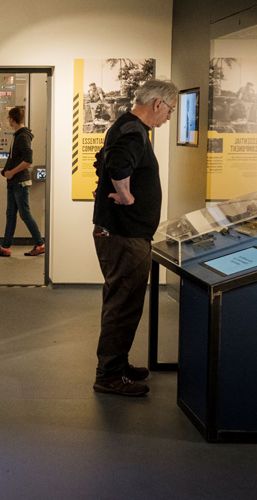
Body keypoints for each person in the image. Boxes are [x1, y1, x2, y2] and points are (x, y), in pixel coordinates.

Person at [91, 79, 178, 397]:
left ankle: (118, 363)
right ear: (158, 104)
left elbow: (105, 162)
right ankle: (109, 375)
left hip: (125, 234)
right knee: (122, 304)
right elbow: (116, 164)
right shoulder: (133, 130)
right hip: (124, 235)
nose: (168, 118)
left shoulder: (126, 126)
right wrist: (126, 196)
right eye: (169, 111)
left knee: (125, 303)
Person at [0, 107, 45, 257]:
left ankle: (40, 244)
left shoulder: (22, 136)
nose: (8, 121)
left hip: (19, 181)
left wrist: (12, 172)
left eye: (8, 118)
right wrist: (7, 170)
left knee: (24, 214)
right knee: (11, 214)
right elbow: (16, 157)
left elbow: (28, 160)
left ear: (12, 119)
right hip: (14, 181)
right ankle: (6, 247)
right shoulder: (19, 135)